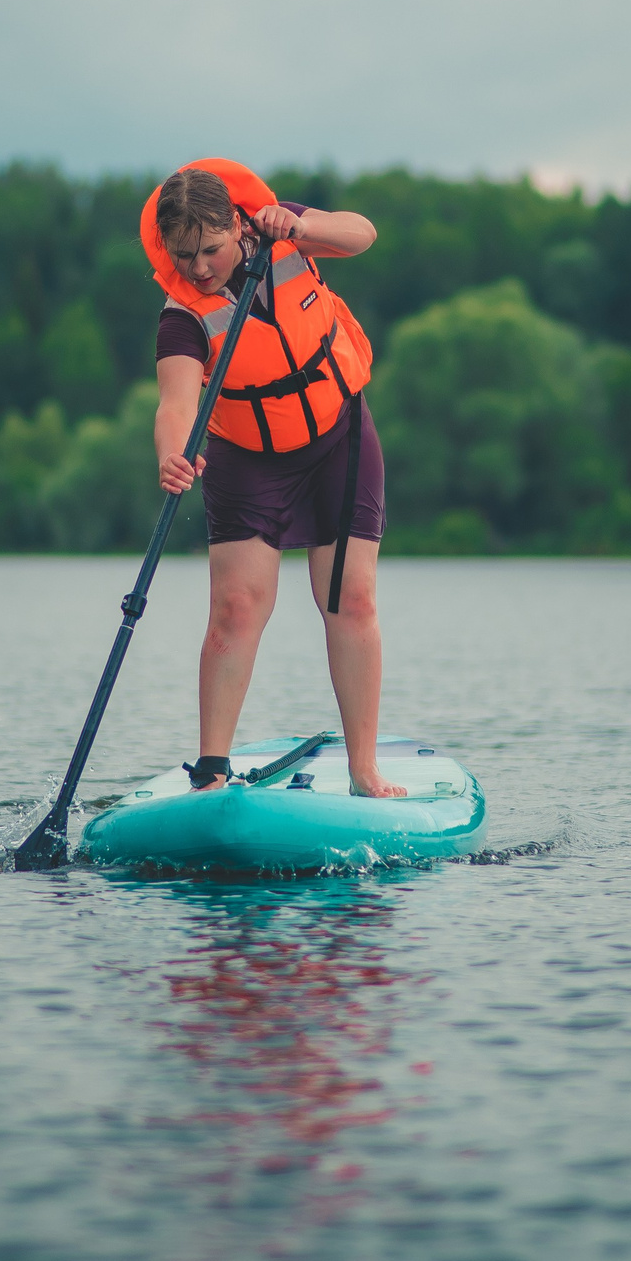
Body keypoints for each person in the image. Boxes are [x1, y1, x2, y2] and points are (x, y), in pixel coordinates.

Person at [142, 159, 407, 798]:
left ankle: (364, 771)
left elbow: (362, 233)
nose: (199, 266)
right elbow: (175, 403)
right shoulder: (183, 313)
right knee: (236, 608)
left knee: (349, 598)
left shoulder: (282, 232)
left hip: (336, 436)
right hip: (246, 455)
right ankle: (210, 774)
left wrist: (299, 223)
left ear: (236, 224)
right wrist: (172, 453)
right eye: (184, 256)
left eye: (210, 248)